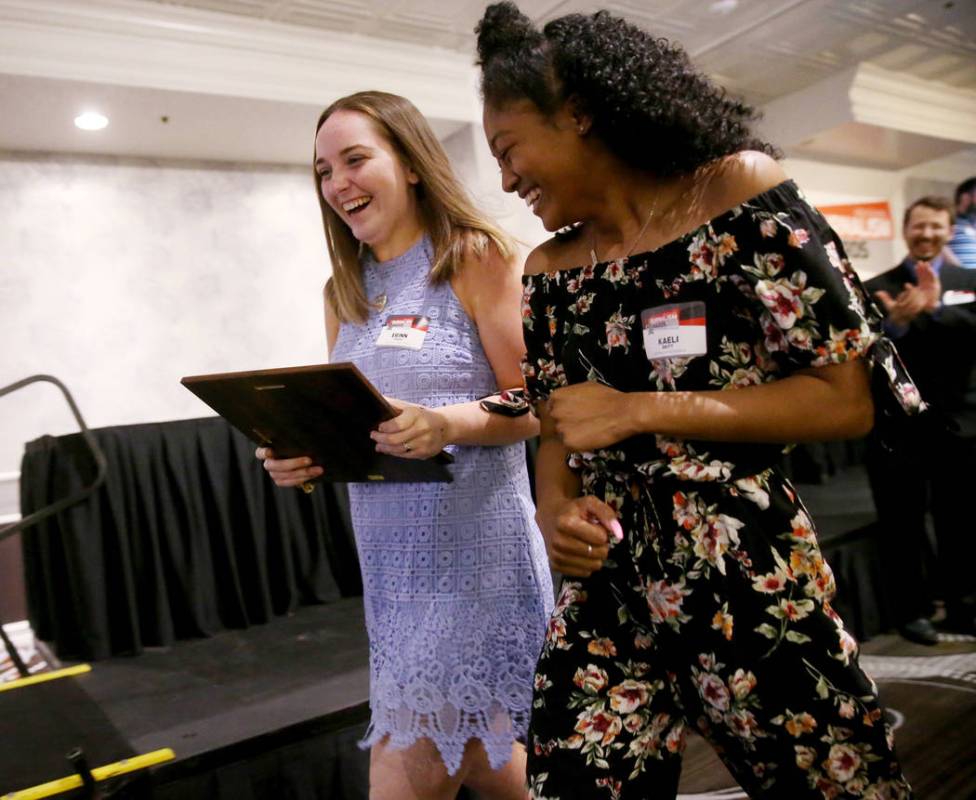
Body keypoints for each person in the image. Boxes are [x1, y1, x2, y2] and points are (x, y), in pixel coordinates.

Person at [475, 4, 915, 798]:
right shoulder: (547, 269)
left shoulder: (738, 192)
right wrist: (555, 514)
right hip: (606, 589)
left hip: (744, 572)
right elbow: (555, 431)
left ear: (578, 112)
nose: (507, 179)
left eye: (510, 149)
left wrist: (642, 408)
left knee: (833, 787)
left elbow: (844, 399)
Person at [257, 90, 553, 800]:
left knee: (401, 765)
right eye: (324, 171)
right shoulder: (344, 292)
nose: (339, 185)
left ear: (412, 162)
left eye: (356, 160)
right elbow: (359, 429)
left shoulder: (475, 258)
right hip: (395, 577)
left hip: (480, 564)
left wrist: (449, 422)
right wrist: (303, 457)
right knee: (488, 760)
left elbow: (538, 403)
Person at [865, 196, 976, 644]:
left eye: (935, 227)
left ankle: (962, 605)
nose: (926, 234)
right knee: (901, 522)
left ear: (949, 231)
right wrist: (896, 325)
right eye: (918, 227)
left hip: (961, 426)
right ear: (905, 230)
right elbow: (862, 351)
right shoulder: (876, 286)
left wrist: (936, 312)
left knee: (962, 520)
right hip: (898, 428)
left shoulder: (971, 282)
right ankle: (912, 611)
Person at [947, 177, 976, 269]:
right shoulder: (948, 219)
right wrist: (963, 274)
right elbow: (939, 247)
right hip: (959, 280)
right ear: (965, 198)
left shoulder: (973, 223)